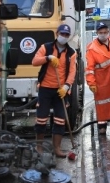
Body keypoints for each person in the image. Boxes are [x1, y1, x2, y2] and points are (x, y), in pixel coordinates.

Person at [31, 23, 77, 158]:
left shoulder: (71, 53)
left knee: (60, 120)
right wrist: (48, 58)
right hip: (45, 88)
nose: (64, 36)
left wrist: (66, 87)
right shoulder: (46, 47)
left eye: (67, 35)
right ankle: (39, 147)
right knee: (41, 119)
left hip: (60, 91)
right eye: (62, 34)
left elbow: (72, 72)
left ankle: (57, 148)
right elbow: (34, 61)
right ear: (57, 34)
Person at [85, 22, 110, 137]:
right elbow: (89, 69)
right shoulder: (92, 48)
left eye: (105, 32)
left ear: (109, 32)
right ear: (97, 33)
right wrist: (91, 82)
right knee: (102, 105)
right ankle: (102, 127)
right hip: (101, 82)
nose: (103, 34)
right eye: (101, 33)